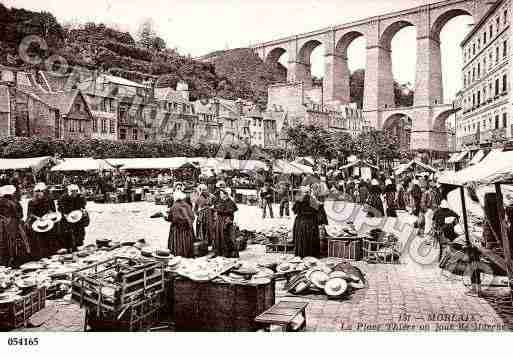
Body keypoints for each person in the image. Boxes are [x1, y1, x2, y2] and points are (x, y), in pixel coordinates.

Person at [26, 183, 61, 259]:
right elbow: (30, 214)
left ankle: (50, 252)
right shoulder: (31, 202)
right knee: (39, 239)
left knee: (49, 237)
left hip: (48, 221)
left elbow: (53, 211)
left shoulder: (49, 200)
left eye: (41, 191)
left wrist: (50, 213)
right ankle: (40, 254)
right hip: (37, 222)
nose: (39, 193)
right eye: (37, 191)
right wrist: (37, 217)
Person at [0, 185, 30, 267]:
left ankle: (4, 259)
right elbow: (19, 214)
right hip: (13, 223)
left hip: (2, 223)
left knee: (3, 240)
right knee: (15, 240)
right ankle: (14, 258)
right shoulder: (14, 202)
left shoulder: (1, 201)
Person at [292, 186, 322, 258]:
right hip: (311, 222)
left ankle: (302, 254)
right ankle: (311, 254)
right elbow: (317, 210)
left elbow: (295, 211)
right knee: (310, 238)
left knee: (301, 239)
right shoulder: (313, 200)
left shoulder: (299, 200)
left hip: (301, 221)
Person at [58, 184, 88, 252]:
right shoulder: (63, 198)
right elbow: (60, 208)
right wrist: (65, 215)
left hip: (78, 216)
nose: (74, 193)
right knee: (66, 231)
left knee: (79, 230)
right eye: (72, 191)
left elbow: (83, 206)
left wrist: (83, 210)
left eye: (75, 191)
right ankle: (67, 247)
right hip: (67, 216)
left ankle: (77, 245)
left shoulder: (80, 197)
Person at [167, 191, 195, 258]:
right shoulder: (187, 205)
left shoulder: (174, 206)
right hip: (188, 228)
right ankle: (187, 253)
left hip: (178, 228)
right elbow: (192, 217)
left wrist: (166, 217)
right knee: (187, 241)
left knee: (178, 241)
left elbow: (171, 218)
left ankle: (178, 253)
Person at [212, 189, 239, 258]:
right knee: (218, 236)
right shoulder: (220, 201)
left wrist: (227, 222)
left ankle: (227, 253)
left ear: (226, 194)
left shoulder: (230, 202)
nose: (221, 195)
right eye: (221, 194)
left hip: (226, 221)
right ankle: (219, 252)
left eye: (222, 194)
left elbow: (231, 214)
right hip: (219, 221)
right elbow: (216, 209)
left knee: (226, 237)